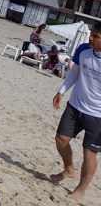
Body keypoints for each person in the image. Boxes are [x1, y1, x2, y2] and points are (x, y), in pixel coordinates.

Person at [52, 22, 101, 204]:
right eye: (91, 34)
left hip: (98, 115)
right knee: (61, 139)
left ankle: (80, 190)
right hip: (75, 105)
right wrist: (61, 91)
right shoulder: (83, 49)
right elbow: (75, 73)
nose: (91, 38)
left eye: (96, 36)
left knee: (89, 153)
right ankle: (69, 169)